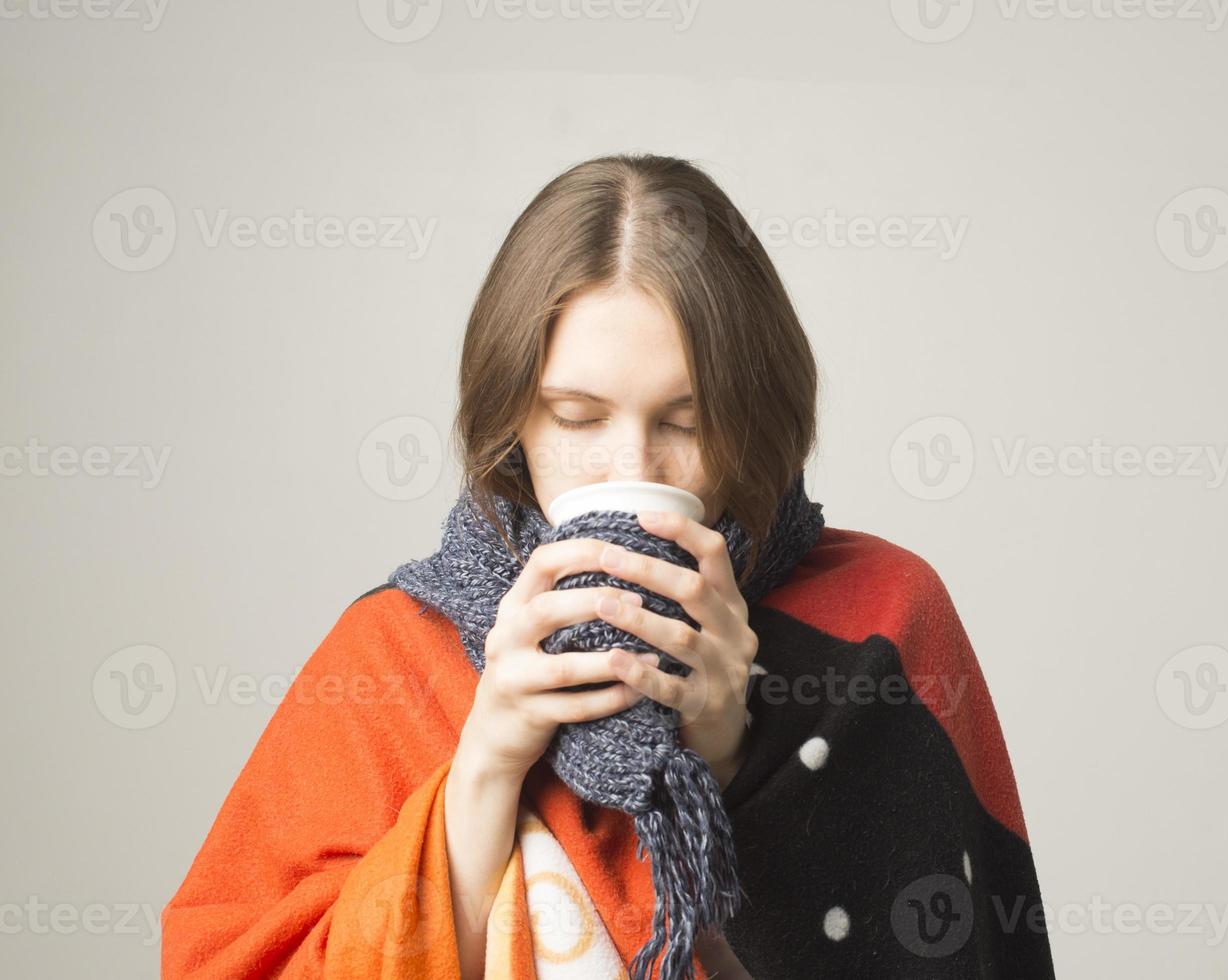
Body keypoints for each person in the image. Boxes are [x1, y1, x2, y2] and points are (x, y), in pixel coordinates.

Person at [163, 154, 1056, 979]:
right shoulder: (394, 652)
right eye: (579, 417)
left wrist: (737, 759)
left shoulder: (883, 618)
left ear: (759, 417)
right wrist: (480, 775)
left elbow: (955, 947)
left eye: (686, 421)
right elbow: (231, 957)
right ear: (512, 419)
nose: (633, 469)